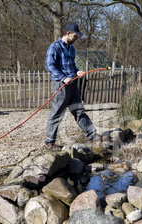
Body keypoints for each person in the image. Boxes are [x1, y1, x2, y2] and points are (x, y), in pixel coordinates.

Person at [44, 22, 100, 151]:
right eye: (75, 36)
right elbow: (49, 65)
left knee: (79, 110)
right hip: (60, 85)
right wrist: (63, 78)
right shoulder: (55, 47)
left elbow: (71, 66)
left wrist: (77, 72)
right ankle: (50, 142)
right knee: (57, 113)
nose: (77, 38)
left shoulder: (72, 48)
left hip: (72, 84)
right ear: (68, 33)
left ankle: (91, 135)